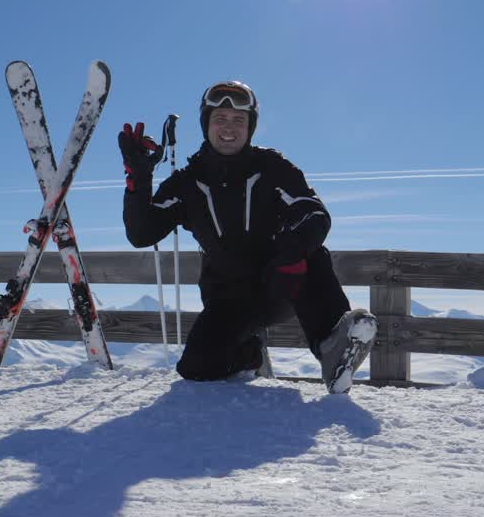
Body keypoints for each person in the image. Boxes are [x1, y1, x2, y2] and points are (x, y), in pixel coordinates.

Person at [119, 80, 377, 393]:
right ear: (206, 125)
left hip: (283, 281)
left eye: (239, 120)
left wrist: (292, 254)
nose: (229, 127)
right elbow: (142, 233)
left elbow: (314, 214)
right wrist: (139, 178)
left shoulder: (273, 168)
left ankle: (332, 346)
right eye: (220, 119)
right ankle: (247, 354)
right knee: (195, 369)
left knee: (313, 254)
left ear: (250, 127)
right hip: (229, 298)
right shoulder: (186, 184)